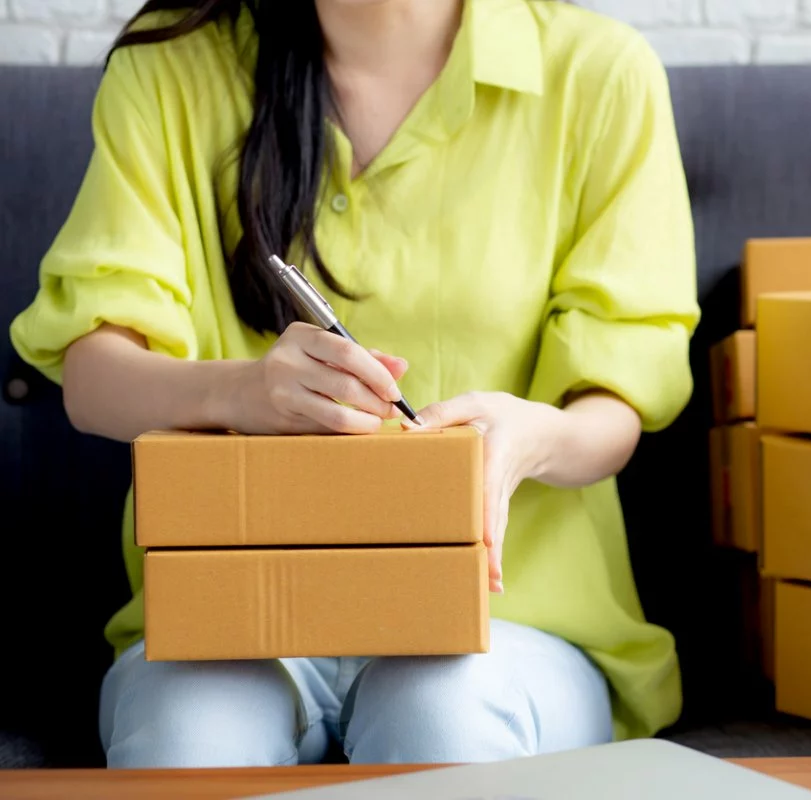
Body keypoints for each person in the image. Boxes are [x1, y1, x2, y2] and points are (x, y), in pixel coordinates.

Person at [9, 0, 699, 769]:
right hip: (228, 616)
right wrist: (239, 392)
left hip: (515, 618)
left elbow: (619, 404)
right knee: (188, 740)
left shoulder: (599, 73)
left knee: (444, 716)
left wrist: (531, 439)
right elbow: (92, 380)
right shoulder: (171, 63)